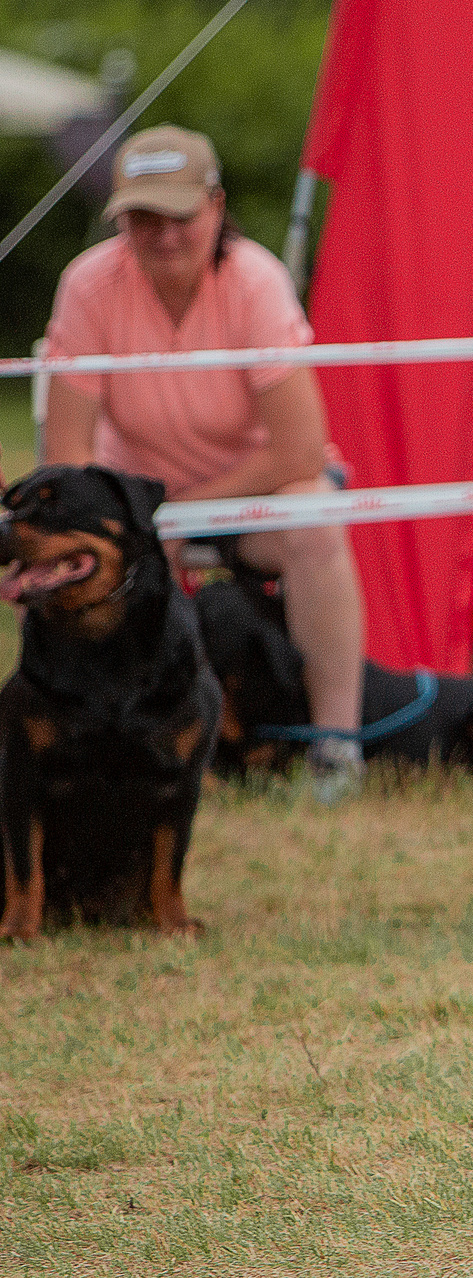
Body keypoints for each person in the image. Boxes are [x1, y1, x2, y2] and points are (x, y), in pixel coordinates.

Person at [43, 126, 372, 804]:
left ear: (217, 207)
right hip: (131, 504)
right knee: (52, 546)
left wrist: (174, 513)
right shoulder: (87, 285)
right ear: (120, 218)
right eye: (144, 217)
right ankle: (70, 737)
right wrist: (120, 522)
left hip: (250, 491)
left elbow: (300, 451)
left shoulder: (256, 281)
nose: (164, 234)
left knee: (317, 522)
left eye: (181, 215)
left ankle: (336, 746)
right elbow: (67, 462)